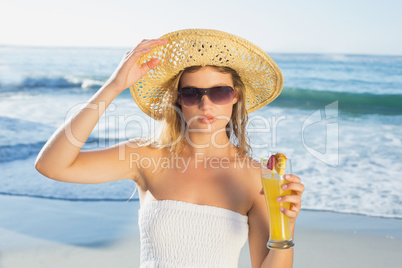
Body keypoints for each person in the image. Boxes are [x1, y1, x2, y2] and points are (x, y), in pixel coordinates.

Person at [35, 29, 305, 268]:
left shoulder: (257, 179)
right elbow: (51, 165)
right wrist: (114, 86)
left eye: (219, 92)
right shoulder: (145, 156)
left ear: (235, 96)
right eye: (192, 93)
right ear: (178, 100)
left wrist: (285, 228)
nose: (206, 104)